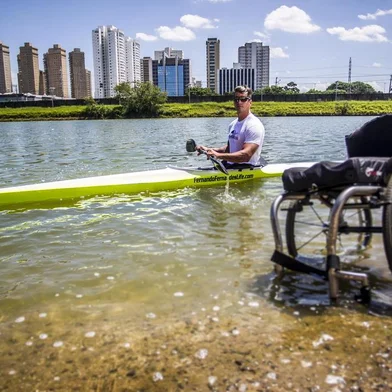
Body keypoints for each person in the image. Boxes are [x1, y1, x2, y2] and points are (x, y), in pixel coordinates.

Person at [198, 85, 265, 167]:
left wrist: (218, 155)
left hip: (245, 168)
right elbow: (229, 149)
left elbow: (246, 156)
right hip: (230, 166)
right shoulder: (232, 124)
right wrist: (210, 150)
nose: (239, 102)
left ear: (250, 102)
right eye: (236, 99)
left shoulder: (254, 125)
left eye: (243, 99)